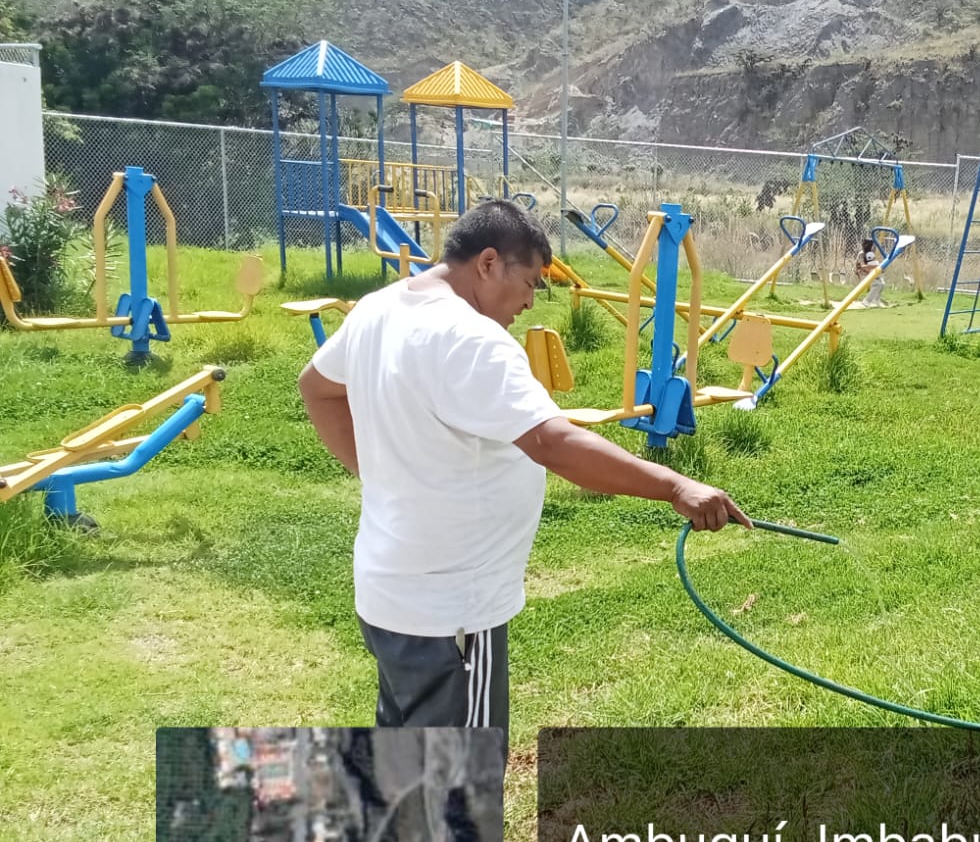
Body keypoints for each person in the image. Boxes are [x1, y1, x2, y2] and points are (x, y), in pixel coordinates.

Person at [298, 200, 749, 730]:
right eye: (531, 282)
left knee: (407, 760)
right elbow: (552, 442)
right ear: (489, 263)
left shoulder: (379, 308)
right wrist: (674, 487)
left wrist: (378, 473)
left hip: (390, 593)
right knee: (458, 774)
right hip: (451, 613)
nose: (531, 301)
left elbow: (317, 387)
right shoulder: (471, 338)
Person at [855, 238, 885, 306]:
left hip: (871, 273)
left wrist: (879, 269)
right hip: (863, 274)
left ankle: (876, 300)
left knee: (882, 284)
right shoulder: (861, 254)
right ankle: (866, 301)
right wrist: (875, 267)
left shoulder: (871, 253)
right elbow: (862, 266)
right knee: (877, 284)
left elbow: (873, 264)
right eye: (871, 245)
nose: (872, 247)